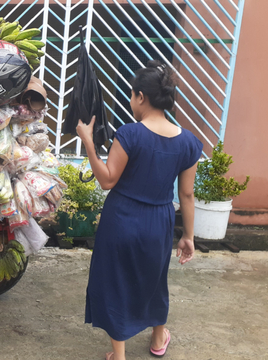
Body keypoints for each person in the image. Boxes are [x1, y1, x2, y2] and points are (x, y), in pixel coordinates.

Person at [77, 60, 202, 360]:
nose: (132, 102)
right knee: (155, 277)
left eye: (132, 96)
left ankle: (118, 355)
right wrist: (189, 236)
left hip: (121, 218)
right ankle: (159, 339)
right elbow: (186, 193)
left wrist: (88, 143)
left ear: (141, 97)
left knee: (114, 281)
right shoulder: (188, 143)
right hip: (159, 221)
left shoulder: (130, 134)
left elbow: (107, 180)